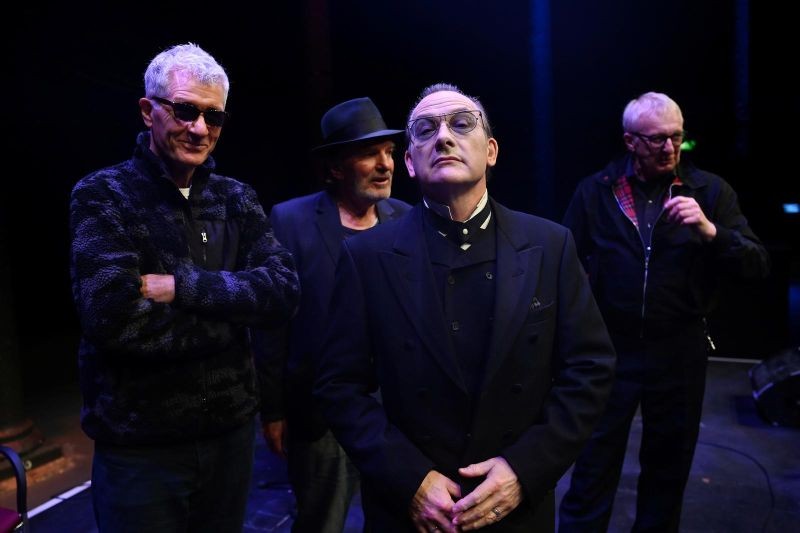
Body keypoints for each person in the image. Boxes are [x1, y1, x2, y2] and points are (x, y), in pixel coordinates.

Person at [313, 83, 616, 532]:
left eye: (460, 124)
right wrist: (408, 479)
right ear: (411, 163)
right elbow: (338, 386)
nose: (444, 137)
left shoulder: (550, 245)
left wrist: (524, 469)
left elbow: (590, 369)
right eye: (425, 129)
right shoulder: (366, 257)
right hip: (410, 512)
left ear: (490, 151)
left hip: (516, 508)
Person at [69, 43, 300, 532]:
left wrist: (183, 287)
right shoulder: (103, 194)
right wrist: (235, 321)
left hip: (231, 438)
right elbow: (115, 322)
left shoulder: (235, 196)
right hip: (141, 450)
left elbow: (283, 290)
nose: (200, 128)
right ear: (148, 111)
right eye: (186, 110)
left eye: (213, 117)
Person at [558, 92, 770, 532]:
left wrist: (711, 231)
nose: (670, 149)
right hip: (610, 349)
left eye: (677, 138)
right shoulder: (596, 191)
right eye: (656, 141)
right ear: (630, 141)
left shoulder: (709, 191)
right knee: (593, 465)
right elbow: (564, 267)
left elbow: (757, 264)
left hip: (679, 351)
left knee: (667, 471)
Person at [254, 97, 411, 532]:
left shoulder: (405, 219)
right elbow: (272, 322)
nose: (385, 165)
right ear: (336, 167)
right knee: (321, 522)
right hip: (322, 417)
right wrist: (272, 409)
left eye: (389, 153)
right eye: (368, 153)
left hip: (394, 414)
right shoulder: (291, 221)